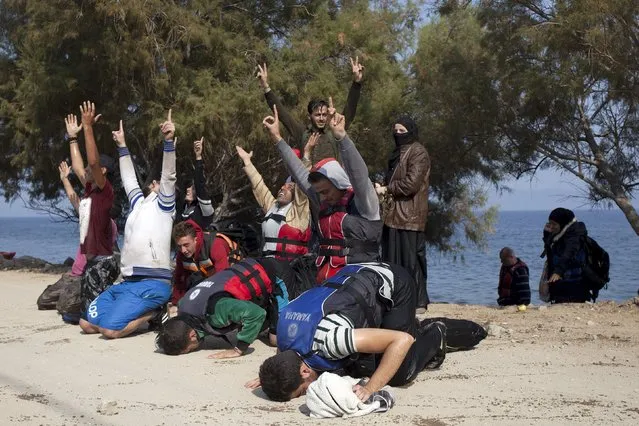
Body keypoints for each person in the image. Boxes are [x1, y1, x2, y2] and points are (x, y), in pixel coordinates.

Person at [249, 262, 451, 402]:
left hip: (394, 283)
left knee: (398, 375)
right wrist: (271, 377)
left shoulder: (330, 340)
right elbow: (282, 359)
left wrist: (370, 388)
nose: (307, 393)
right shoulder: (284, 336)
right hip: (352, 276)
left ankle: (435, 333)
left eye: (302, 391)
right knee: (358, 365)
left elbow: (402, 340)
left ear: (304, 371)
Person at [79, 111, 176, 339]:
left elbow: (169, 176)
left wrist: (169, 142)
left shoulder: (165, 205)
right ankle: (135, 309)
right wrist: (122, 146)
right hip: (127, 282)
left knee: (110, 330)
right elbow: (129, 179)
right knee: (86, 323)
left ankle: (154, 312)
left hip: (152, 283)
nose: (157, 183)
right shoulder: (138, 203)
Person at [264, 103, 382, 283]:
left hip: (359, 279)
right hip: (328, 279)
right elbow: (298, 172)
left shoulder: (363, 201)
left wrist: (342, 138)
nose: (323, 197)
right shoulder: (324, 200)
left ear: (338, 183)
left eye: (326, 191)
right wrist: (277, 138)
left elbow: (358, 173)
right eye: (320, 193)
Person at [156, 257, 292, 358]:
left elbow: (256, 314)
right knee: (251, 323)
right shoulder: (183, 306)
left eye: (189, 349)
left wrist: (239, 349)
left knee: (276, 340)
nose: (192, 349)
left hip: (276, 276)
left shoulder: (216, 311)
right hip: (250, 270)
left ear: (192, 336)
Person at [65, 105, 121, 317]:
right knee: (81, 316)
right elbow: (80, 167)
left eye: (92, 171)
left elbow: (92, 162)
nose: (85, 172)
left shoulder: (105, 191)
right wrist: (72, 139)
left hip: (103, 263)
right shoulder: (90, 190)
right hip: (92, 262)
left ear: (102, 172)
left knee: (89, 320)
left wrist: (88, 127)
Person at [256, 57, 364, 163]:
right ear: (309, 116)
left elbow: (350, 110)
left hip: (333, 180)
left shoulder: (335, 132)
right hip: (309, 179)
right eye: (317, 115)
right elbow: (283, 114)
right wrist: (266, 88)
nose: (322, 118)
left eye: (324, 114)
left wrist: (357, 83)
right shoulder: (302, 133)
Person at [375, 116, 431, 312]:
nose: (398, 134)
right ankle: (399, 300)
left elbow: (411, 184)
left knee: (411, 261)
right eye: (395, 131)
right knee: (392, 261)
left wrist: (387, 189)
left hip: (409, 217)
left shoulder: (418, 152)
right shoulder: (397, 154)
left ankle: (418, 302)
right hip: (393, 216)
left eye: (402, 131)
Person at [236, 145, 311, 260]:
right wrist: (247, 161)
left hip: (289, 266)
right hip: (268, 263)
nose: (283, 188)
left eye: (289, 188)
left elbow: (303, 184)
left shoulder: (298, 212)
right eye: (282, 187)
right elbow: (259, 186)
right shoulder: (272, 205)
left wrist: (306, 155)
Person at [171, 219, 242, 304]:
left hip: (234, 276)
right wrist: (176, 303)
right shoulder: (182, 254)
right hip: (209, 276)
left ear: (196, 240)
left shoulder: (216, 246)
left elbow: (222, 280)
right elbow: (179, 280)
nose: (183, 250)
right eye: (179, 246)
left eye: (186, 245)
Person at [541, 207, 591, 303]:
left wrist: (558, 271)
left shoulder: (575, 234)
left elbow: (569, 252)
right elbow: (551, 253)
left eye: (554, 224)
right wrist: (547, 235)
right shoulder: (558, 234)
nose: (551, 226)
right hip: (561, 284)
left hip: (575, 285)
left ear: (563, 223)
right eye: (549, 223)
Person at [176, 137, 214, 230]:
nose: (188, 189)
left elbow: (199, 184)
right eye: (188, 187)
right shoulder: (183, 208)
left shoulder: (205, 210)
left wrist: (198, 157)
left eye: (192, 188)